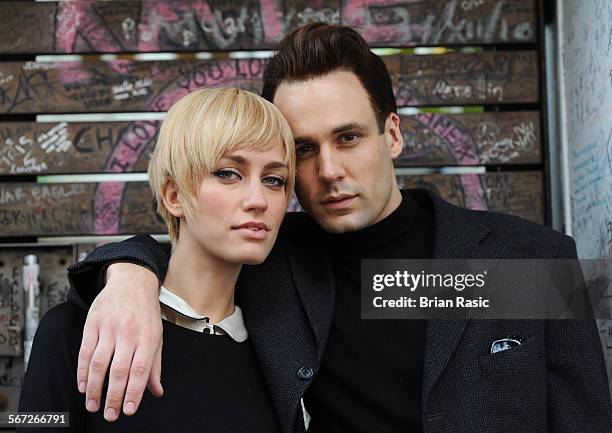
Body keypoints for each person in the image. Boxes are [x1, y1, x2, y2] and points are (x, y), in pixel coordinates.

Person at [65, 24, 612, 433]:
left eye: (348, 137)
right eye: (304, 149)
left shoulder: (526, 261)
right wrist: (129, 277)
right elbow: (189, 249)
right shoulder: (277, 258)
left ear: (391, 134)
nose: (328, 170)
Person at [18, 87, 296, 432]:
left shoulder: (287, 353)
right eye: (228, 173)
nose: (259, 199)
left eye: (274, 179)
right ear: (173, 194)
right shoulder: (71, 331)